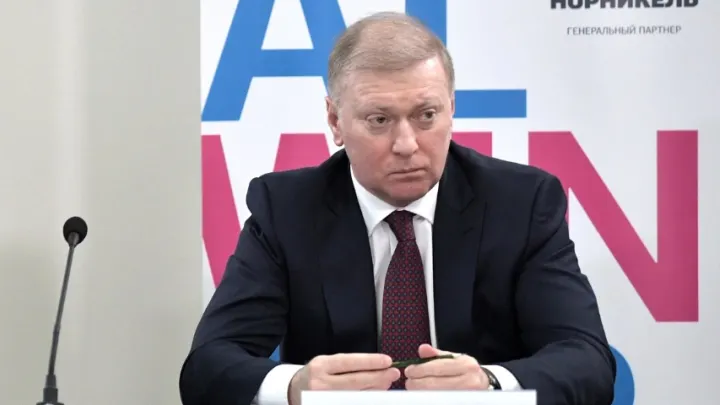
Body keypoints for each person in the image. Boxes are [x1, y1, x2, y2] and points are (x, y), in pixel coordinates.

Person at [179, 11, 616, 405]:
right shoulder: (287, 210)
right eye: (379, 120)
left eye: (426, 115)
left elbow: (587, 362)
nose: (407, 144)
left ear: (451, 109)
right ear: (335, 121)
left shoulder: (521, 202)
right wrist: (295, 386)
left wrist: (490, 384)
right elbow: (207, 367)